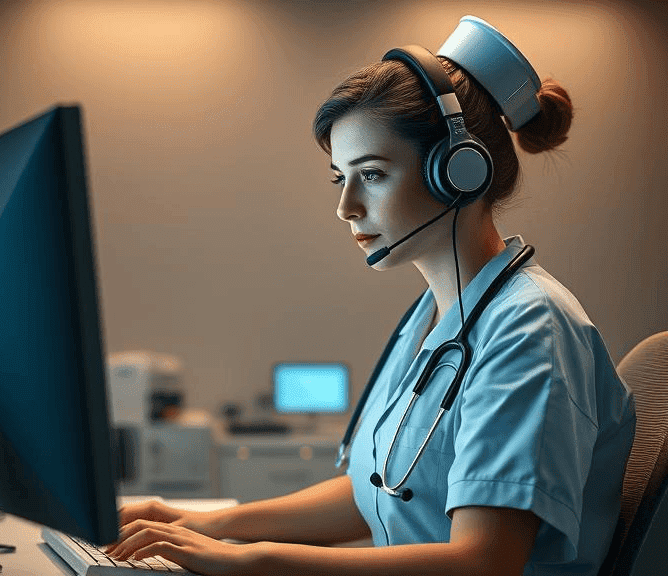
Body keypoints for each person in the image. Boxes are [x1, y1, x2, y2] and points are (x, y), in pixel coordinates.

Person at [104, 16, 636, 576]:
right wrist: (197, 524)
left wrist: (252, 563)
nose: (347, 206)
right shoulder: (434, 316)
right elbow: (374, 493)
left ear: (458, 172)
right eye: (340, 178)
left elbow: (484, 561)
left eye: (373, 174)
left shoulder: (529, 329)